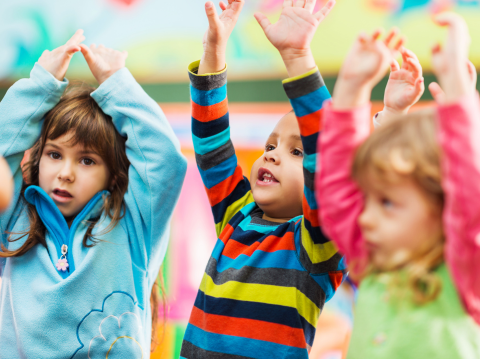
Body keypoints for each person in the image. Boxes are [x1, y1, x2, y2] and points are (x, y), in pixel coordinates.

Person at [0, 30, 187, 357]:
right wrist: (40, 85)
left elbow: (166, 161)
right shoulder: (13, 218)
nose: (66, 173)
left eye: (87, 160)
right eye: (55, 154)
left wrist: (116, 82)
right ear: (38, 155)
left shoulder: (133, 227)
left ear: (113, 173)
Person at [180, 0, 346, 357]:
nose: (271, 154)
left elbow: (329, 160)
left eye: (295, 152)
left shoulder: (315, 248)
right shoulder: (236, 214)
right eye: (270, 145)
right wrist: (213, 51)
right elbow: (212, 145)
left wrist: (298, 57)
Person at [316, 13, 480, 358]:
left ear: (442, 206)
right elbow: (338, 194)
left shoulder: (465, 274)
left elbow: (471, 197)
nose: (364, 217)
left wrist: (459, 96)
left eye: (387, 203)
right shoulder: (375, 265)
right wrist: (351, 88)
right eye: (369, 201)